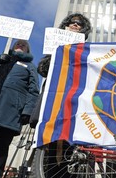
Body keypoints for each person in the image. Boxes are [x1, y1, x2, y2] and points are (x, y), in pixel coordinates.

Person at [29, 13, 92, 178]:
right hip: (53, 98)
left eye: (79, 24)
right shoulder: (55, 46)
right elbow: (42, 69)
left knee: (70, 142)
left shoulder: (87, 49)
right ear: (66, 25)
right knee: (47, 141)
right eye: (72, 22)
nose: (75, 25)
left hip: (73, 98)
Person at [0, 39, 39, 177]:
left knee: (0, 149)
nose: (20, 45)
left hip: (11, 111)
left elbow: (33, 90)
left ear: (27, 50)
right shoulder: (2, 60)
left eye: (23, 44)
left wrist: (27, 111)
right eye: (17, 43)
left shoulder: (29, 66)